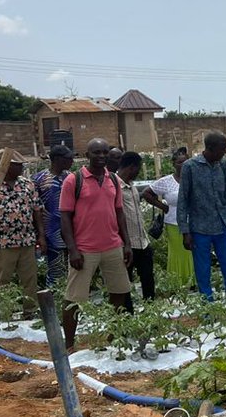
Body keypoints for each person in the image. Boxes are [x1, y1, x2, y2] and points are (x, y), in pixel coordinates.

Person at [59, 138, 133, 348]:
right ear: (87, 155)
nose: (101, 156)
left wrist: (126, 244)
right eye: (96, 152)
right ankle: (69, 345)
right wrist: (72, 249)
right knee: (74, 299)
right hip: (85, 249)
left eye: (104, 152)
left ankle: (113, 337)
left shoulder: (113, 180)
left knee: (119, 292)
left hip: (112, 246)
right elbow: (65, 217)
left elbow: (119, 213)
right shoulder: (74, 180)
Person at [0, 149, 46, 317]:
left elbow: (37, 211)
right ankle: (5, 314)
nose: (21, 168)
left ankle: (30, 311)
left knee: (30, 280)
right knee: (2, 282)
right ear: (5, 166)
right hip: (2, 244)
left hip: (27, 241)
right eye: (17, 165)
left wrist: (41, 236)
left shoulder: (27, 185)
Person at [178, 132, 226, 301]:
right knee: (203, 269)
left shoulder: (223, 165)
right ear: (210, 148)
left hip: (222, 225)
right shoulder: (190, 167)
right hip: (200, 227)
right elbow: (183, 200)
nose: (224, 152)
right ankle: (207, 306)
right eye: (222, 149)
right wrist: (185, 232)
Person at [142, 147, 193, 286]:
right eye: (179, 162)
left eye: (185, 162)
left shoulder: (194, 178)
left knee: (193, 252)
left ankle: (193, 280)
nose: (183, 165)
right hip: (174, 222)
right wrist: (163, 206)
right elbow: (146, 193)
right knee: (178, 252)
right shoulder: (166, 181)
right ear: (173, 164)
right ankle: (178, 281)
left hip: (193, 222)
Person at [115, 152, 156, 310]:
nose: (138, 173)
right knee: (125, 283)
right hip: (126, 243)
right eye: (138, 169)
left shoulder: (131, 185)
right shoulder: (114, 186)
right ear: (132, 168)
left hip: (142, 241)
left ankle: (150, 310)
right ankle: (127, 314)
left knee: (148, 278)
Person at [33, 143, 74, 285]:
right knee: (55, 269)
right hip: (50, 233)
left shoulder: (71, 177)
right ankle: (54, 294)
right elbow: (35, 209)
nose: (71, 161)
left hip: (71, 231)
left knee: (73, 268)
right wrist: (40, 236)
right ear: (57, 159)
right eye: (68, 158)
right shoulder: (39, 179)